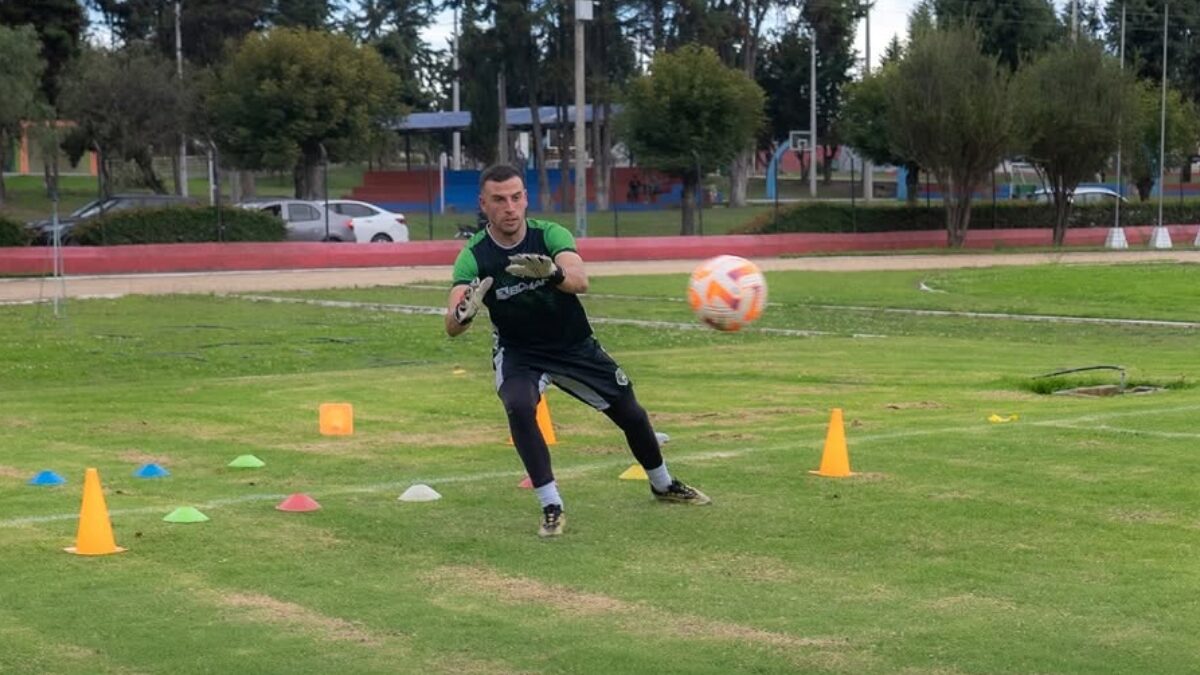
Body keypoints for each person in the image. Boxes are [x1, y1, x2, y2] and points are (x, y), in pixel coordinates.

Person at [445, 164, 711, 538]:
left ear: (526, 199)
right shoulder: (474, 254)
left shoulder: (550, 234)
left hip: (573, 345)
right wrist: (464, 312)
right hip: (520, 352)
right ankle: (551, 504)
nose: (510, 207)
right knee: (520, 407)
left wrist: (552, 274)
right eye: (499, 199)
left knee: (632, 413)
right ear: (483, 204)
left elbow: (580, 280)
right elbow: (452, 323)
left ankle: (663, 484)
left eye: (516, 197)